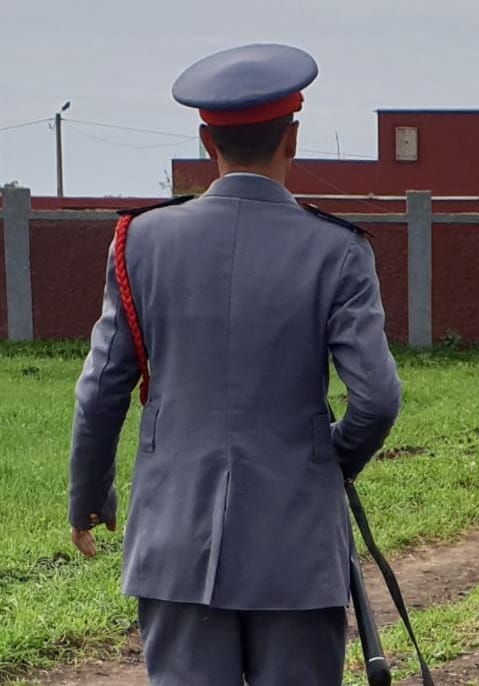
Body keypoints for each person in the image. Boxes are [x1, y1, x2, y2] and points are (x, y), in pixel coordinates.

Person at [67, 43, 401, 686]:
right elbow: (378, 399)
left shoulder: (140, 241)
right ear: (294, 138)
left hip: (175, 544)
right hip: (297, 550)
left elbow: (102, 389)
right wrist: (329, 461)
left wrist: (90, 494)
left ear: (205, 140)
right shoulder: (339, 251)